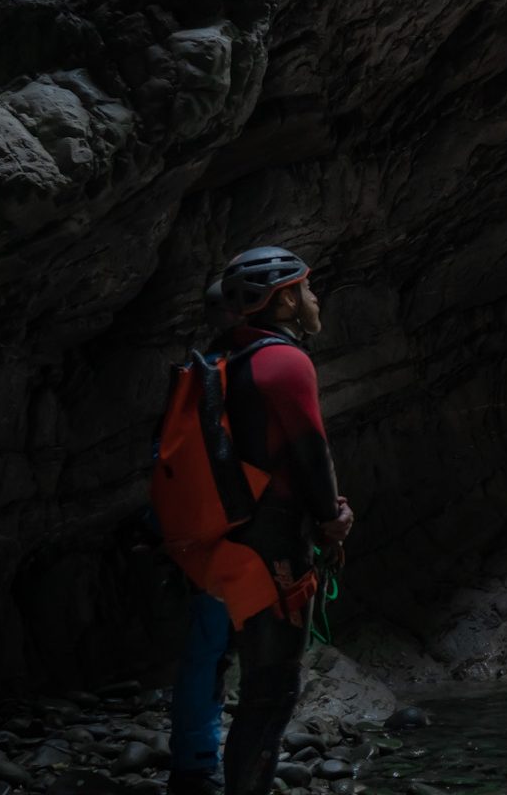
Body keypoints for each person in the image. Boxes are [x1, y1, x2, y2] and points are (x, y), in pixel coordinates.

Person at [210, 245, 354, 795]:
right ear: (287, 298)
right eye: (307, 288)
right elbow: (310, 452)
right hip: (272, 545)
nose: (315, 297)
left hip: (235, 536)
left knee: (257, 685)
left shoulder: (230, 352)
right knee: (270, 692)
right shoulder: (285, 362)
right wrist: (332, 520)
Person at [169, 283, 242, 795]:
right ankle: (198, 764)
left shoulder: (195, 375)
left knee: (208, 649)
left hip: (196, 529)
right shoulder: (238, 375)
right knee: (215, 650)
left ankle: (195, 758)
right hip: (233, 533)